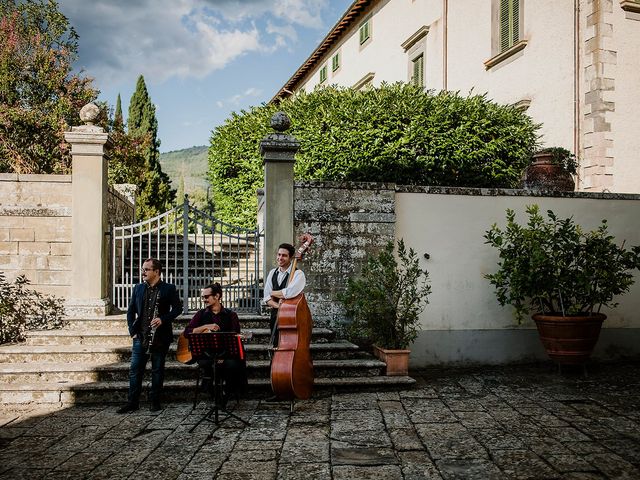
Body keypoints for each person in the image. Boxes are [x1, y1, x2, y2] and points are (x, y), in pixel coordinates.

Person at [117, 258, 182, 413]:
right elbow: (131, 311)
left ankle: (155, 401)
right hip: (140, 335)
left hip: (160, 336)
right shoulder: (138, 288)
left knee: (157, 369)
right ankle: (133, 402)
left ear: (156, 272)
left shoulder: (168, 288)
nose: (143, 272)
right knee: (135, 370)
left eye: (146, 269)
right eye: (143, 269)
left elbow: (177, 309)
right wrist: (132, 332)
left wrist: (163, 319)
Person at [184, 283, 248, 405]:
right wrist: (205, 327)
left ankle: (226, 394)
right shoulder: (201, 314)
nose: (204, 300)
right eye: (203, 297)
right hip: (206, 354)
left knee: (232, 364)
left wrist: (222, 357)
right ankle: (214, 393)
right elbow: (187, 332)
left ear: (217, 296)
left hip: (226, 354)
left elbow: (235, 337)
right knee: (209, 364)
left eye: (206, 297)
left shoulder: (231, 315)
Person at [262, 242, 306, 346]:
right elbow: (267, 298)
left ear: (291, 258)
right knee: (275, 344)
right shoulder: (272, 272)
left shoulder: (298, 274)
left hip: (292, 316)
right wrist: (279, 306)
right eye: (279, 254)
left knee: (290, 345)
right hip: (275, 316)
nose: (280, 258)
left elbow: (288, 293)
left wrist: (272, 292)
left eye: (284, 255)